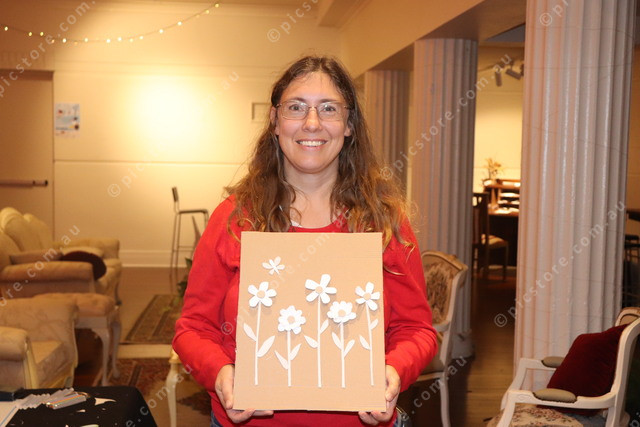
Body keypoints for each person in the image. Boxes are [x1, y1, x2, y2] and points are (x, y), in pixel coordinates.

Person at [173, 55, 438, 427]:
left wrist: (395, 370)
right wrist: (220, 374)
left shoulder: (383, 221)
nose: (312, 123)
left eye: (329, 108)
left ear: (349, 124)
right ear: (274, 120)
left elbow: (416, 329)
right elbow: (193, 328)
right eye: (296, 107)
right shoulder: (234, 219)